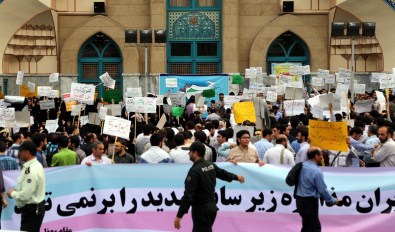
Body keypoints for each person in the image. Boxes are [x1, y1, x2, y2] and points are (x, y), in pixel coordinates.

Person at [174, 141, 245, 231]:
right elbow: (223, 174)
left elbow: (188, 195)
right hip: (211, 207)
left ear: (195, 153)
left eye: (190, 151)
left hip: (201, 209)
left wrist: (179, 215)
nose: (188, 154)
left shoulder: (194, 171)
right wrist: (236, 177)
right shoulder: (210, 165)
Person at [295, 147, 338, 232]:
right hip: (310, 202)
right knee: (313, 228)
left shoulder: (302, 166)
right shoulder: (316, 171)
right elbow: (322, 190)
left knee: (308, 225)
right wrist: (332, 200)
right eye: (321, 154)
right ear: (316, 156)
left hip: (300, 200)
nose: (322, 156)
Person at [7, 141, 46, 232]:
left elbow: (25, 195)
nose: (19, 154)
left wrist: (12, 193)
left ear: (27, 153)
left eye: (20, 151)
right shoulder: (35, 165)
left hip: (31, 211)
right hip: (32, 210)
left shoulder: (31, 170)